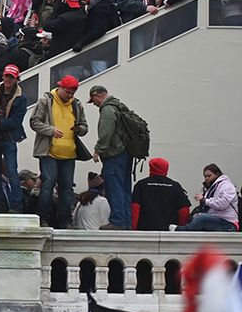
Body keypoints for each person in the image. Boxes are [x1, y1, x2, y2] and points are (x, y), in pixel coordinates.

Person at [29, 75, 90, 228]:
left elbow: (84, 127)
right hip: (48, 152)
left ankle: (65, 221)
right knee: (48, 184)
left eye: (72, 93)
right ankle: (42, 219)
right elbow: (34, 122)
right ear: (60, 87)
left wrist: (79, 129)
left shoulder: (76, 104)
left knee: (67, 188)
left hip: (69, 153)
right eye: (68, 92)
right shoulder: (46, 101)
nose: (70, 95)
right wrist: (50, 130)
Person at [87, 85, 134, 229]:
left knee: (114, 188)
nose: (94, 104)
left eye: (93, 100)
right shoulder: (119, 106)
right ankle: (125, 221)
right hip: (126, 153)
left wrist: (98, 150)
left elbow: (106, 132)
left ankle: (117, 221)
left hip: (114, 154)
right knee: (125, 189)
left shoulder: (108, 109)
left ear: (97, 96)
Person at [0, 64, 28, 213]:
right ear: (3, 76)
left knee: (12, 173)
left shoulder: (21, 98)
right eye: (6, 76)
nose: (8, 79)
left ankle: (16, 206)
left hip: (8, 139)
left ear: (17, 78)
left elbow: (16, 122)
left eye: (11, 77)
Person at [131, 157, 192, 230]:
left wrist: (134, 228)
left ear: (150, 168)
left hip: (145, 230)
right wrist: (180, 228)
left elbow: (135, 208)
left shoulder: (141, 185)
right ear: (166, 169)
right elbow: (184, 210)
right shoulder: (175, 186)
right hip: (169, 231)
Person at [177, 164, 238, 232]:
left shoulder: (227, 186)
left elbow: (222, 204)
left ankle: (184, 229)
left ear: (217, 174)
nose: (206, 178)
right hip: (217, 219)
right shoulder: (211, 188)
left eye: (209, 176)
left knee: (202, 218)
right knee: (197, 216)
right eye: (205, 176)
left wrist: (204, 200)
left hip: (228, 222)